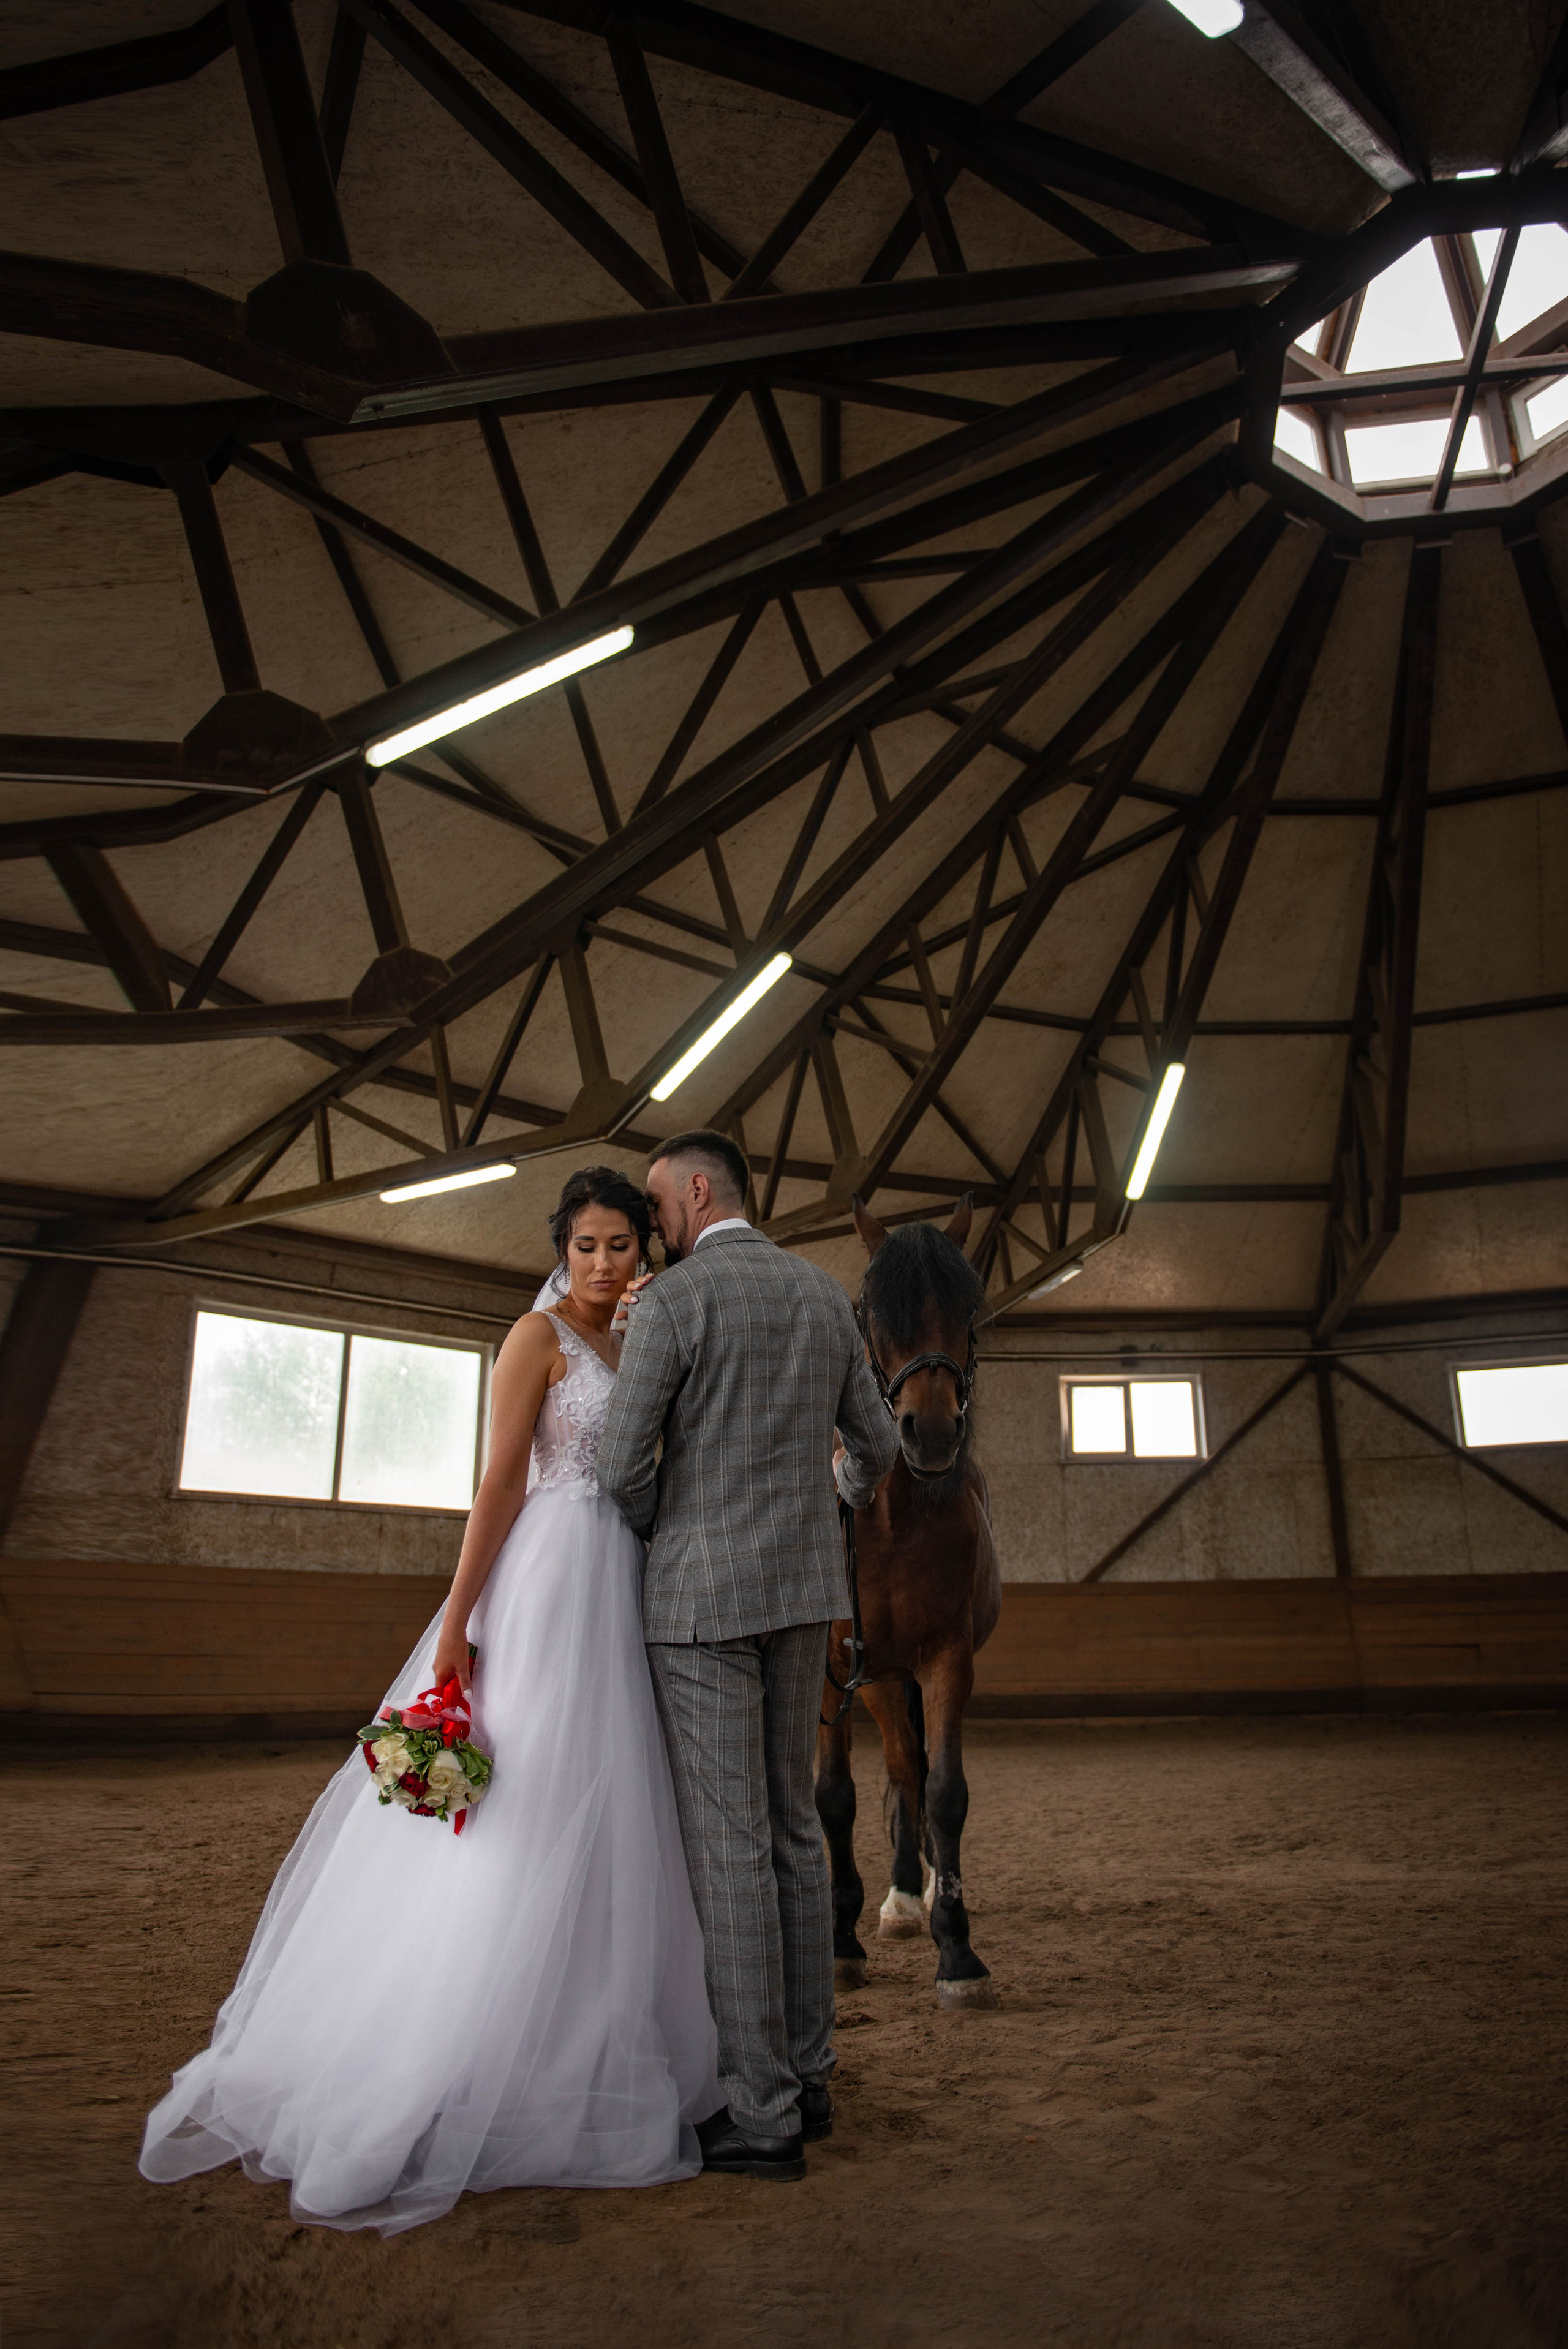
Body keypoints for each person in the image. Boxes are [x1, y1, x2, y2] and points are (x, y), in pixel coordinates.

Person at [140, 1167, 718, 2235]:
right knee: (526, 1789)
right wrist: (457, 1620)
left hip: (627, 1582)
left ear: (651, 1248)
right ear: (562, 1251)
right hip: (544, 1577)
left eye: (621, 1247)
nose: (601, 1265)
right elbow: (498, 1480)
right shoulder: (535, 1339)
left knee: (617, 1795)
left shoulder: (648, 1340)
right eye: (584, 1247)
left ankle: (586, 2029)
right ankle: (461, 2037)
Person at [597, 1128, 898, 2182]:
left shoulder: (677, 1303)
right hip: (804, 1599)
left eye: (654, 1206)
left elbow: (624, 1460)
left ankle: (762, 2112)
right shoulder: (825, 1298)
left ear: (693, 1191)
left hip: (702, 1605)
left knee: (730, 1853)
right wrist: (831, 1507)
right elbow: (880, 1448)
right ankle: (812, 2081)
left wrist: (657, 1530)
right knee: (794, 1837)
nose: (650, 1229)